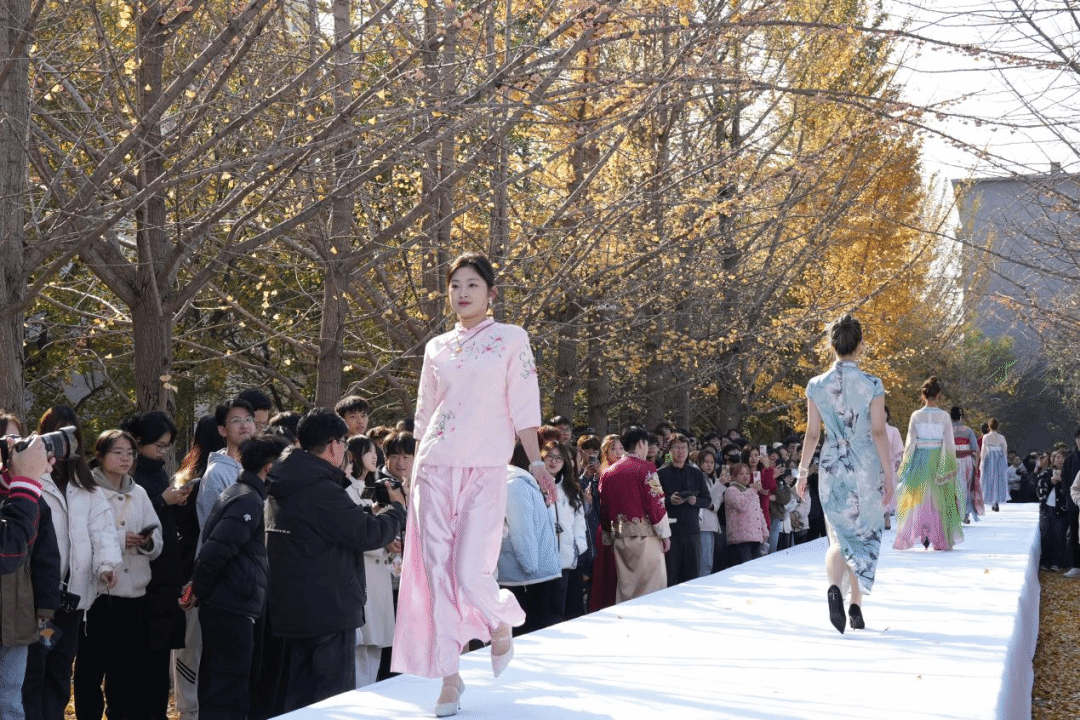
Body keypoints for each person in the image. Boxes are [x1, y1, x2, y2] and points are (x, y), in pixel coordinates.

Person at [391, 251, 555, 719]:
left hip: (485, 468)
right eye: (455, 285)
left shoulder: (511, 338)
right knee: (436, 574)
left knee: (469, 571)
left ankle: (501, 617)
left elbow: (524, 404)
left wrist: (537, 462)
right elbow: (425, 412)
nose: (462, 293)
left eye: (472, 285)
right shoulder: (437, 347)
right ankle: (450, 677)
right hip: (434, 467)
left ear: (491, 293)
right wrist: (412, 471)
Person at [265, 408, 405, 712]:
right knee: (332, 701)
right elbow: (367, 533)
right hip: (328, 609)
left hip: (293, 608)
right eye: (343, 442)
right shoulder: (320, 488)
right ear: (333, 446)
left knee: (300, 699)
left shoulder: (286, 479)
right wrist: (396, 511)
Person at [797, 314, 895, 634]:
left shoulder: (816, 385)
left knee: (839, 536)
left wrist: (802, 473)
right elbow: (878, 432)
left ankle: (834, 589)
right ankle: (855, 605)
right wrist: (890, 475)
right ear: (861, 345)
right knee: (862, 536)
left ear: (831, 346)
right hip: (865, 466)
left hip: (832, 465)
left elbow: (812, 434)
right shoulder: (872, 384)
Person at [23, 408, 121, 720]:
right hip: (39, 597)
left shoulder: (85, 484)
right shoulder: (32, 477)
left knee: (60, 668)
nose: (66, 442)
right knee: (34, 668)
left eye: (72, 434)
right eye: (58, 433)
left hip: (74, 599)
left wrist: (107, 565)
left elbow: (102, 529)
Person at [186, 434, 289, 720]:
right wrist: (199, 589)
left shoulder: (246, 493)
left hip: (233, 604)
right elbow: (216, 550)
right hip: (230, 607)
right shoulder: (247, 500)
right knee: (226, 691)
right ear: (269, 467)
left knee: (227, 687)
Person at [74, 430, 164, 720]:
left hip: (133, 594)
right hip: (98, 594)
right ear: (100, 455)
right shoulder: (86, 491)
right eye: (118, 452)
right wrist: (119, 539)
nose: (126, 458)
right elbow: (79, 538)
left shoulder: (139, 493)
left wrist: (147, 542)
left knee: (125, 669)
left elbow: (157, 535)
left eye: (130, 453)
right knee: (90, 667)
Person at [121, 411, 189, 719]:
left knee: (159, 661)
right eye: (158, 445)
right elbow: (136, 520)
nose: (162, 452)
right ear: (139, 441)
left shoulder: (158, 471)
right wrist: (163, 501)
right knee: (141, 662)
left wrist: (176, 501)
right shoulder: (132, 476)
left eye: (166, 446)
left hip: (165, 577)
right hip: (144, 580)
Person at [0, 431, 60, 720]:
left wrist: (46, 608)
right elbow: (8, 550)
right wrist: (25, 481)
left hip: (15, 617)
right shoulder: (25, 493)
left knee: (11, 702)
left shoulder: (28, 499)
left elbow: (45, 558)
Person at [170, 413, 225, 720]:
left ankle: (189, 707)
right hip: (196, 571)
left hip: (188, 569)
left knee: (190, 645)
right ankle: (190, 708)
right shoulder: (199, 479)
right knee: (193, 644)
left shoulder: (184, 475)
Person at [344, 434, 400, 689]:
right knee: (362, 647)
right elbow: (357, 533)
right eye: (368, 451)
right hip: (364, 573)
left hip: (379, 573)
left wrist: (390, 542)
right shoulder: (347, 490)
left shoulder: (368, 488)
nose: (374, 456)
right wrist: (383, 541)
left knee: (375, 645)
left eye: (375, 451)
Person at [595, 426, 671, 603]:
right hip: (646, 537)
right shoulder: (647, 468)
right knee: (652, 587)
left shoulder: (608, 473)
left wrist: (608, 537)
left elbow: (604, 507)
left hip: (620, 538)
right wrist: (665, 534)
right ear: (641, 443)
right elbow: (656, 501)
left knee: (626, 588)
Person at [892, 376, 964, 553]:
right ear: (938, 395)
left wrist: (905, 463)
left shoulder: (916, 415)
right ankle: (939, 537)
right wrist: (949, 464)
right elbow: (949, 443)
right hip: (938, 458)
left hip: (919, 459)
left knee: (919, 498)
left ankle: (923, 534)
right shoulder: (944, 416)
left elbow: (910, 443)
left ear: (923, 395)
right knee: (939, 498)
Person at [497, 443, 561, 634]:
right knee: (529, 632)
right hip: (526, 578)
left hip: (534, 575)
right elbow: (521, 531)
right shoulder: (516, 485)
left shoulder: (524, 483)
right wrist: (530, 566)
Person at [657, 433, 711, 586]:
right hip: (670, 532)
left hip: (692, 530)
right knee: (671, 575)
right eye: (676, 447)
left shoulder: (696, 473)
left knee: (692, 575)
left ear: (688, 450)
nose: (680, 451)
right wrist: (669, 500)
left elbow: (707, 499)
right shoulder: (660, 473)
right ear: (669, 450)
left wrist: (695, 501)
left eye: (683, 448)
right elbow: (654, 501)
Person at [543, 441, 587, 622]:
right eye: (549, 457)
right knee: (542, 612)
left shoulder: (571, 489)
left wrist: (578, 545)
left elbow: (579, 522)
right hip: (541, 562)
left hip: (566, 558)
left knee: (560, 611)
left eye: (559, 458)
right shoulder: (533, 486)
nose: (553, 462)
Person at [196, 399, 256, 531]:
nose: (244, 425)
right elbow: (213, 526)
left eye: (248, 419)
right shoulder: (216, 473)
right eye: (236, 420)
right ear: (222, 430)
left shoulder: (260, 466)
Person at [724, 463, 768, 566]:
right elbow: (740, 505)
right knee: (745, 568)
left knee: (756, 568)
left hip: (755, 538)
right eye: (741, 474)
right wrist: (753, 490)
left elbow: (759, 512)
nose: (745, 476)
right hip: (740, 540)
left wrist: (764, 532)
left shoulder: (750, 491)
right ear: (733, 477)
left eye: (747, 473)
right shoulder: (731, 490)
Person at [950, 407, 984, 524]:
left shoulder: (947, 430)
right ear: (962, 417)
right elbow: (974, 448)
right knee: (966, 488)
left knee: (953, 488)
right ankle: (965, 514)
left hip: (952, 460)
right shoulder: (968, 430)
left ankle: (954, 514)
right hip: (966, 461)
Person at [1039, 451, 1069, 570]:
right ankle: (1045, 562)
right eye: (1058, 457)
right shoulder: (1046, 472)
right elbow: (1039, 485)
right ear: (1053, 459)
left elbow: (1072, 489)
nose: (1060, 460)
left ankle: (1057, 562)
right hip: (1047, 507)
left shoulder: (1069, 473)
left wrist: (1062, 480)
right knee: (1046, 535)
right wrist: (1051, 481)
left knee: (1059, 535)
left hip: (1062, 509)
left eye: (1063, 457)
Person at [695, 448, 722, 577]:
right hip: (703, 524)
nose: (709, 465)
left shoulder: (712, 479)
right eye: (706, 462)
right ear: (700, 462)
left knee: (708, 564)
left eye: (712, 462)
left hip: (711, 524)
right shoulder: (697, 477)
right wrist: (720, 485)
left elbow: (717, 500)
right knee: (704, 565)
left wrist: (712, 505)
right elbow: (706, 499)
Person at [980, 418, 1009, 512]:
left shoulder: (986, 437)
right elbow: (1004, 449)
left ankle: (992, 500)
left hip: (990, 458)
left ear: (989, 426)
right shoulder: (1001, 437)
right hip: (999, 458)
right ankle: (996, 501)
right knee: (998, 479)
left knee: (990, 479)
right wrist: (1004, 460)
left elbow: (983, 450)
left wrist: (982, 461)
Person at [1064, 427, 1080, 578]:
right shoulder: (1070, 459)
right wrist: (1070, 499)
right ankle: (1075, 565)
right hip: (1074, 502)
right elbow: (1065, 481)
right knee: (1074, 533)